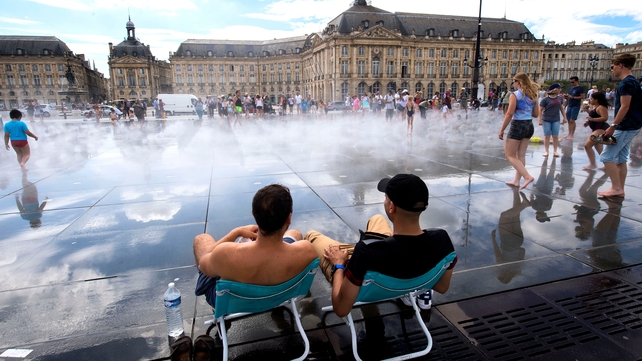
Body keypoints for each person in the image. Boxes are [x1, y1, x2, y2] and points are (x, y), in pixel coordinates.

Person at [305, 174, 457, 317]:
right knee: (377, 218)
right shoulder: (441, 239)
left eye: (386, 198)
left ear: (391, 207)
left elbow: (341, 309)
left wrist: (338, 265)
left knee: (312, 236)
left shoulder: (366, 252)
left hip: (364, 268)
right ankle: (417, 287)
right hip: (411, 268)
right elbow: (442, 287)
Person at [193, 184, 318, 309]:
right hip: (280, 296)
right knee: (295, 233)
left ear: (254, 214)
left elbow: (203, 262)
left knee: (201, 239)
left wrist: (235, 232)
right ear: (289, 218)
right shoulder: (308, 250)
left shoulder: (225, 254)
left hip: (233, 302)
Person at [598, 53, 642, 198]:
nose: (612, 70)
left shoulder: (626, 83)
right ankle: (619, 188)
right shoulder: (633, 81)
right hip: (633, 125)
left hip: (625, 126)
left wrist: (613, 125)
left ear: (620, 65)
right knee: (621, 158)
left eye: (613, 67)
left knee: (606, 156)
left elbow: (625, 107)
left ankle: (616, 188)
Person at [498, 72, 539, 190]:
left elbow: (509, 113)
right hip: (529, 125)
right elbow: (536, 114)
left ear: (519, 82)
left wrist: (502, 130)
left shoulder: (515, 95)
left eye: (514, 82)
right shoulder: (533, 95)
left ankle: (527, 176)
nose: (513, 84)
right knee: (520, 155)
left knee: (509, 155)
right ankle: (516, 180)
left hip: (518, 125)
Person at [582, 92, 610, 170]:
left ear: (596, 100)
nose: (590, 100)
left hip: (601, 128)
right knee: (599, 148)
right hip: (597, 128)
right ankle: (607, 165)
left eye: (591, 98)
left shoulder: (601, 107)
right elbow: (594, 115)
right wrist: (588, 122)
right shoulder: (597, 107)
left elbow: (605, 117)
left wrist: (592, 119)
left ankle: (593, 164)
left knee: (587, 145)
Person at [538, 83, 566, 157]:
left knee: (555, 136)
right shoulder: (545, 100)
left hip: (556, 119)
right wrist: (540, 120)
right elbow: (540, 110)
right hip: (546, 119)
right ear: (556, 89)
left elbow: (561, 108)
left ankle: (555, 151)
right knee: (547, 136)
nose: (561, 90)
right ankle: (546, 151)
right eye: (560, 88)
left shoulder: (560, 98)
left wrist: (565, 117)